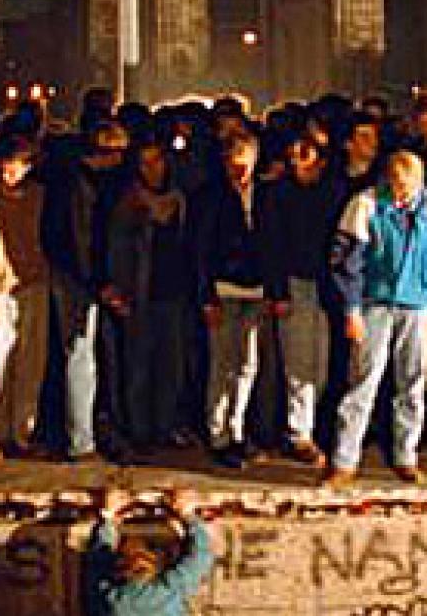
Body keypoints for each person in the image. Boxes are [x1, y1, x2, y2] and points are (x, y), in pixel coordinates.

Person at [324, 151, 427, 486]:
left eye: (409, 186)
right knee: (363, 381)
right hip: (375, 304)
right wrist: (352, 310)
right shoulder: (364, 205)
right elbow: (346, 262)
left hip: (416, 305)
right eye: (397, 185)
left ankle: (406, 455)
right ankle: (345, 460)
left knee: (413, 383)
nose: (402, 193)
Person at [42, 121, 129, 462]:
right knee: (80, 356)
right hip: (78, 281)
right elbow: (81, 240)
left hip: (81, 278)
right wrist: (100, 283)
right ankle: (81, 438)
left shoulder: (78, 181)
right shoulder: (80, 187)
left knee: (84, 357)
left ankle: (84, 433)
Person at [262, 135, 348, 469]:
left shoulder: (334, 192)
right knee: (298, 361)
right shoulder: (279, 194)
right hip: (294, 282)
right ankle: (298, 431)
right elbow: (272, 244)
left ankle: (314, 425)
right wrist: (278, 290)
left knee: (321, 364)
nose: (299, 160)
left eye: (307, 153)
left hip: (326, 287)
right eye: (294, 153)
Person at [105, 140, 192, 452]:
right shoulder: (129, 203)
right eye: (145, 163)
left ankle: (164, 426)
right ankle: (138, 429)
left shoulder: (179, 200)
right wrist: (120, 289)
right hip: (140, 292)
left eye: (156, 161)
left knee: (171, 365)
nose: (152, 169)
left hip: (173, 291)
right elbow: (117, 250)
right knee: (138, 365)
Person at [193, 132, 270, 469]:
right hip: (223, 288)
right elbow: (199, 250)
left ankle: (237, 429)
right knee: (222, 364)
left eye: (245, 163)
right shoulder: (211, 197)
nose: (240, 171)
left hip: (256, 289)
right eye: (234, 164)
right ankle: (218, 434)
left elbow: (272, 241)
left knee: (247, 364)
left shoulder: (265, 193)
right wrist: (206, 296)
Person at [0, 136, 48, 461]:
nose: (8, 175)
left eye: (14, 168)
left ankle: (23, 433)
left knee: (31, 362)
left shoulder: (39, 196)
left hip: (33, 285)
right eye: (4, 168)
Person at [85, 486, 214, 615]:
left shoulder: (112, 597)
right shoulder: (109, 596)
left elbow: (200, 559)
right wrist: (108, 517)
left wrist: (187, 513)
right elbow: (199, 558)